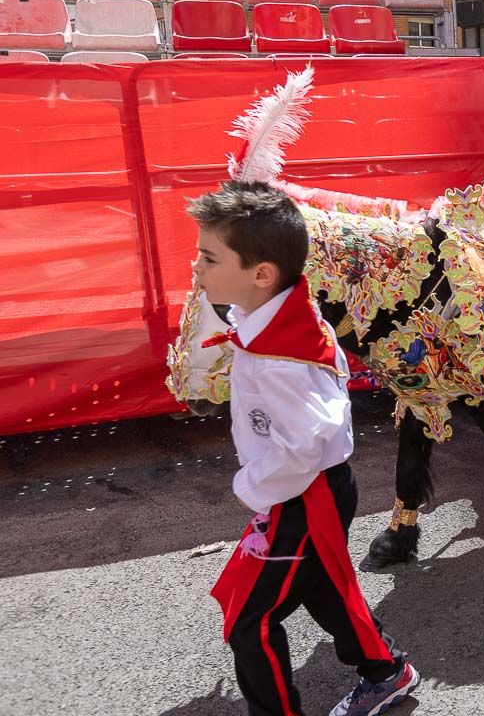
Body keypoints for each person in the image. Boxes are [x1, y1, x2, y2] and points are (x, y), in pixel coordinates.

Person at [189, 181, 419, 716]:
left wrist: (252, 487)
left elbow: (306, 441)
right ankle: (386, 670)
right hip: (308, 488)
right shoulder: (278, 314)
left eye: (208, 256)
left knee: (251, 618)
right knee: (320, 584)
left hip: (301, 493)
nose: (196, 267)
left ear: (261, 274)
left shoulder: (281, 355)